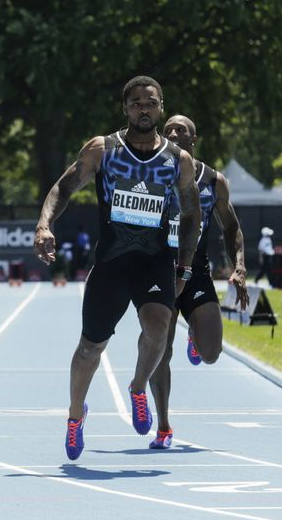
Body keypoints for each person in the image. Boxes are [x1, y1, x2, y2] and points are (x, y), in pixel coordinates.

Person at [34, 76, 201, 460]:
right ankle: (76, 415)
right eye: (137, 103)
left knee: (159, 331)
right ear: (126, 108)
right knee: (91, 347)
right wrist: (44, 224)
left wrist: (185, 267)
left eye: (151, 102)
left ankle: (138, 387)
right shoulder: (103, 149)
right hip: (110, 262)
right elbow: (64, 186)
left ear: (161, 107)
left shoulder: (178, 160)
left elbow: (191, 215)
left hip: (155, 260)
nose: (145, 108)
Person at [147, 115, 249, 449]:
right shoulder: (149, 174)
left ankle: (195, 333)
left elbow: (231, 228)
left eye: (181, 130)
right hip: (160, 271)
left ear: (194, 139)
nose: (173, 133)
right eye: (168, 130)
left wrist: (240, 268)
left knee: (211, 354)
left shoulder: (213, 181)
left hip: (196, 272)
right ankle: (163, 425)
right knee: (161, 349)